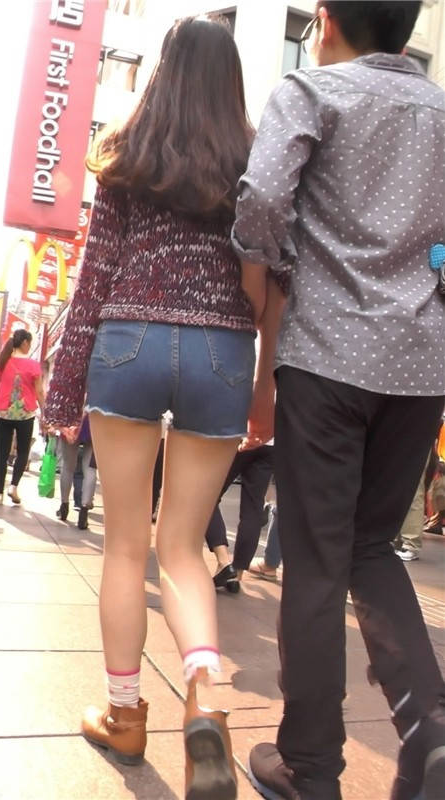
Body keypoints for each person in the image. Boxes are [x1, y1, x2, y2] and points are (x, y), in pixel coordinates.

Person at [43, 15, 272, 799]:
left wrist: (64, 388)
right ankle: (204, 698)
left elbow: (94, 278)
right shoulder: (252, 161)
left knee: (124, 547)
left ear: (162, 71)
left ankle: (125, 715)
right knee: (182, 548)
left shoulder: (126, 155)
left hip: (128, 342)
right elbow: (270, 273)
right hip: (220, 351)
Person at [231, 3, 445, 799]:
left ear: (324, 20)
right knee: (371, 547)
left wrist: (279, 265)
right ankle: (432, 734)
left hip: (326, 353)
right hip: (421, 362)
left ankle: (311, 766)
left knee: (318, 558)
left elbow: (260, 200)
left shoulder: (312, 92)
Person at [205, 440, 273, 592]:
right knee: (253, 508)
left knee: (207, 497)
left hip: (239, 438)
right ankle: (237, 574)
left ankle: (224, 562)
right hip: (270, 443)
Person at [0, 330, 44, 505]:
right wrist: (45, 413)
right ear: (24, 342)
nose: (30, 347)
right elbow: (39, 392)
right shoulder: (33, 365)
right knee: (23, 451)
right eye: (29, 343)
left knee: (1, 452)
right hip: (25, 414)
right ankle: (13, 486)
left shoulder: (2, 362)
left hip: (3, 412)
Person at [56, 415, 97, 529]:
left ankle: (64, 505)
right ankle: (84, 510)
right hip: (92, 421)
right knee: (90, 468)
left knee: (67, 467)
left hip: (70, 420)